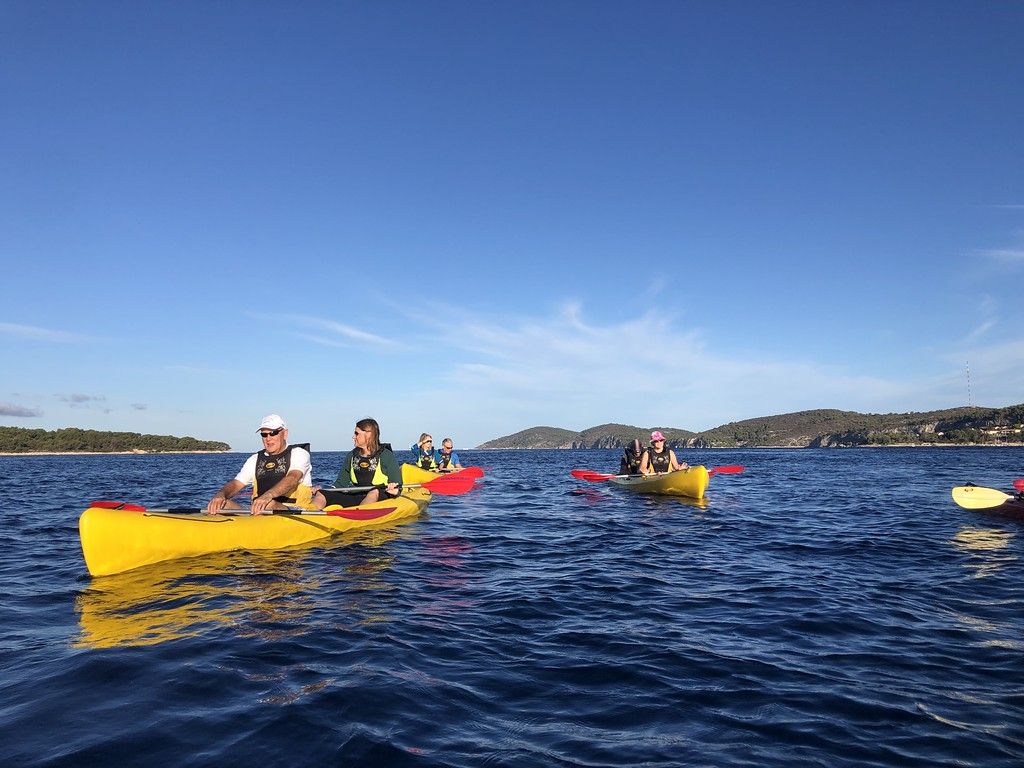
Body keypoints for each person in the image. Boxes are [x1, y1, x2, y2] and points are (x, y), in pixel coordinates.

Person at [207, 414, 317, 515]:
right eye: (264, 434)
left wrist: (268, 496)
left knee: (268, 505)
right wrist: (221, 494)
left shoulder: (299, 453)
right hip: (259, 510)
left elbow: (293, 477)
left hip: (295, 510)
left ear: (285, 433)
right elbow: (236, 483)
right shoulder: (254, 459)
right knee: (220, 505)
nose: (268, 438)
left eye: (273, 433)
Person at [332, 417, 403, 506]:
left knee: (373, 493)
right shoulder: (351, 456)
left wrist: (395, 490)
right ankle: (312, 513)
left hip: (380, 494)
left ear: (369, 435)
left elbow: (398, 485)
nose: (353, 437)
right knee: (321, 494)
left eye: (356, 433)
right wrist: (324, 490)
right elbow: (340, 484)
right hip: (356, 494)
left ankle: (359, 515)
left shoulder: (386, 456)